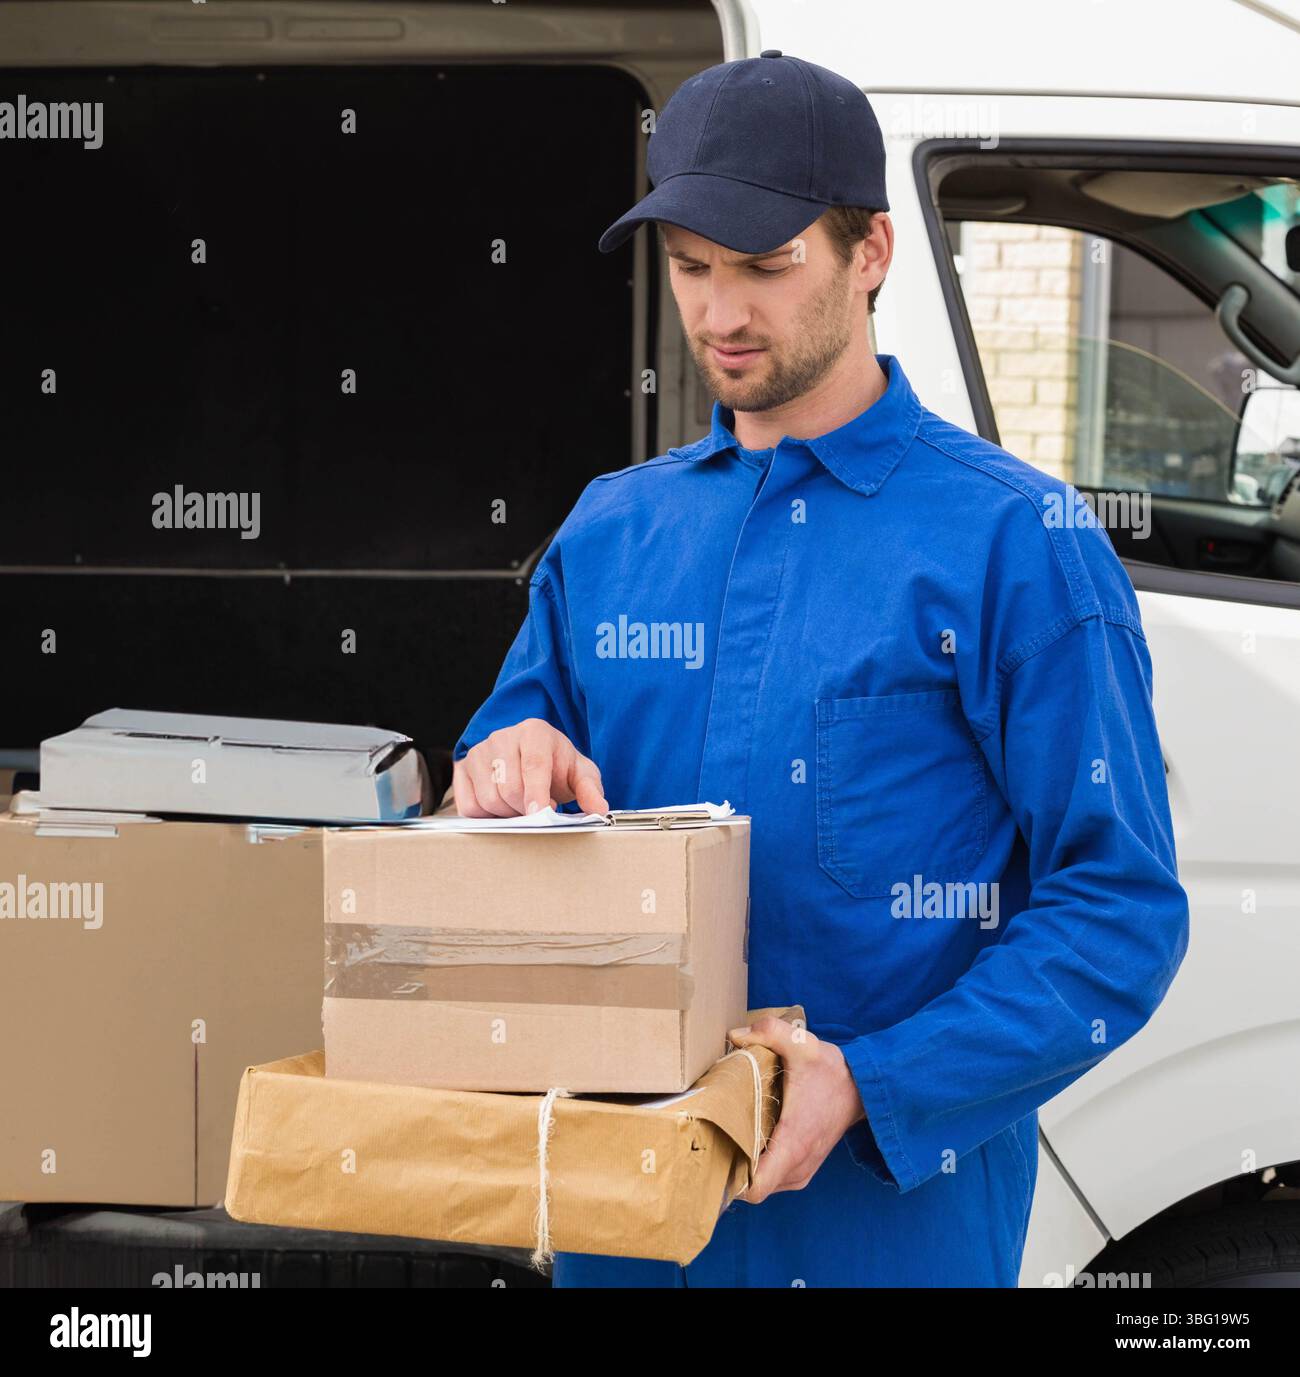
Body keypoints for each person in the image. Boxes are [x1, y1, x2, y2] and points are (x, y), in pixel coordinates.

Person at [447, 52, 1189, 1287]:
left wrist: (873, 1084)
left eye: (765, 265)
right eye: (691, 267)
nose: (720, 314)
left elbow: (1118, 910)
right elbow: (510, 749)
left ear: (871, 253)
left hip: (889, 1237)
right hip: (628, 1228)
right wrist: (503, 760)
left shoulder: (1016, 543)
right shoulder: (610, 533)